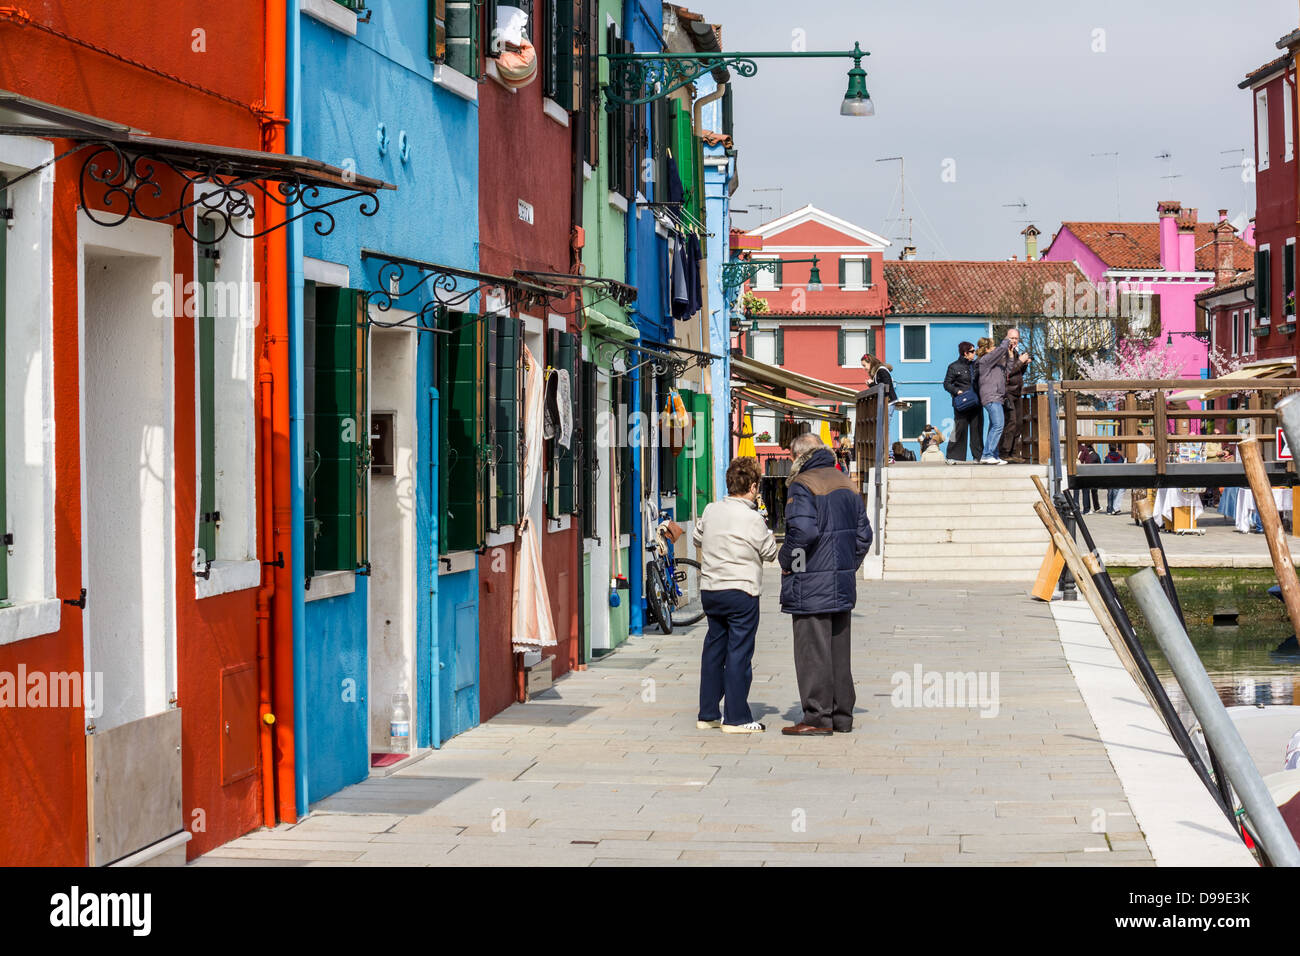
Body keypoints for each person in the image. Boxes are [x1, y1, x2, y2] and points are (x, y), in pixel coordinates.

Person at [778, 434, 873, 735]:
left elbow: (802, 532)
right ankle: (842, 716)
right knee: (838, 651)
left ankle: (817, 717)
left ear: (799, 455)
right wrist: (846, 566)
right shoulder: (846, 483)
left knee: (812, 652)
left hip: (810, 583)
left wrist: (787, 563)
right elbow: (864, 537)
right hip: (840, 582)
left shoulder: (802, 484)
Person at [692, 456, 779, 734]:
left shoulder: (711, 510)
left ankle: (707, 713)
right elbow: (770, 552)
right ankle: (736, 717)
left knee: (714, 650)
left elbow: (697, 538)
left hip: (711, 591)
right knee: (739, 652)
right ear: (753, 487)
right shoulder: (753, 519)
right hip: (741, 591)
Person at [976, 331, 1029, 465]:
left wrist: (1012, 356)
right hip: (991, 396)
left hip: (997, 397)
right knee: (999, 425)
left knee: (996, 425)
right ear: (987, 350)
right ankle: (987, 454)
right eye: (993, 347)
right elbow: (999, 351)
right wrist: (1006, 341)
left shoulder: (995, 365)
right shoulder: (985, 361)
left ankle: (992, 454)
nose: (995, 350)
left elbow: (1008, 370)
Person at [942, 341, 983, 463]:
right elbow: (947, 384)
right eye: (972, 351)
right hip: (962, 403)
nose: (974, 353)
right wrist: (957, 391)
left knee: (977, 429)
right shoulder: (953, 366)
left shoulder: (977, 365)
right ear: (965, 353)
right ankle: (952, 456)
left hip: (976, 402)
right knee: (959, 429)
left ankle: (978, 456)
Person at [1000, 340, 1028, 461]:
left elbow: (1018, 373)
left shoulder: (1015, 353)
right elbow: (1008, 372)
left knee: (1019, 423)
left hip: (1017, 392)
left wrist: (1024, 364)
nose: (1014, 341)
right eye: (1012, 338)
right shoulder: (1003, 354)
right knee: (1011, 422)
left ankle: (1014, 452)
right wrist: (1020, 361)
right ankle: (1004, 453)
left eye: (1016, 338)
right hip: (1008, 392)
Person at [1074, 442, 1101, 513]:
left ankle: (1075, 508)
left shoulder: (1073, 449)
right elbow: (1088, 462)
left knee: (1076, 492)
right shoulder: (1084, 449)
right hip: (1084, 473)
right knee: (1085, 491)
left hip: (1075, 472)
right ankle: (1086, 509)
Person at [1103, 445, 1125, 513]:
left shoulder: (1107, 458)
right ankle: (1114, 508)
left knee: (1110, 493)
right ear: (1116, 449)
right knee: (1115, 492)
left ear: (1109, 449)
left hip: (1109, 477)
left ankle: (1109, 509)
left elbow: (1105, 467)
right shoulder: (1120, 457)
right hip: (1117, 477)